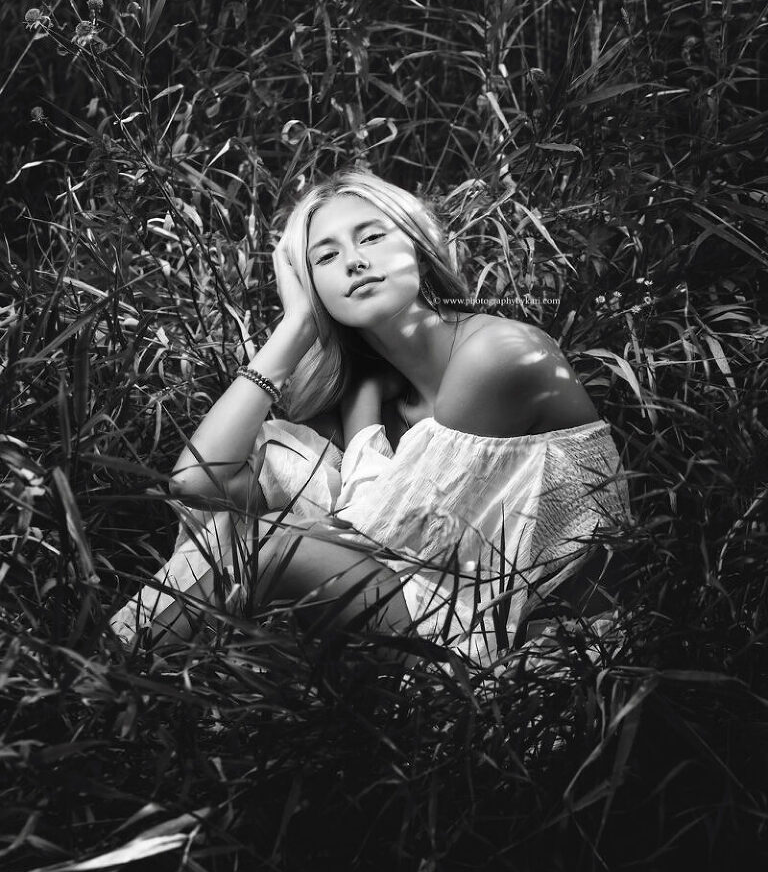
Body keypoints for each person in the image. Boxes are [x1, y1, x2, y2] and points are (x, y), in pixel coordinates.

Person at [110, 169, 630, 667]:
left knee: (262, 542)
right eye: (327, 256)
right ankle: (106, 689)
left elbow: (379, 531)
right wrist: (293, 332)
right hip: (438, 619)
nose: (354, 262)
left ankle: (97, 685)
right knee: (238, 527)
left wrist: (359, 421)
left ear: (420, 252)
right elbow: (199, 481)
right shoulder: (381, 400)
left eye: (373, 237)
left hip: (548, 655)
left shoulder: (496, 353)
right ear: (313, 290)